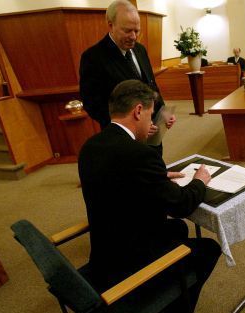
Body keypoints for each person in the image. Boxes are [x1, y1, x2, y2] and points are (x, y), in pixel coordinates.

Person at [78, 79, 221, 312]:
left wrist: (157, 177)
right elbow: (181, 206)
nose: (152, 121)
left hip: (105, 249)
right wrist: (199, 181)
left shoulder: (91, 146)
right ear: (137, 111)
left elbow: (117, 180)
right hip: (129, 261)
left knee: (178, 229)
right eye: (151, 114)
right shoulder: (140, 153)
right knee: (208, 249)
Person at [79, 0, 175, 143]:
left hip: (152, 134)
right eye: (127, 31)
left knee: (154, 163)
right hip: (123, 140)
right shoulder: (93, 57)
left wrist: (163, 112)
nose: (134, 37)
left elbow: (150, 86)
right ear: (111, 25)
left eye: (137, 31)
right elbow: (92, 104)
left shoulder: (140, 50)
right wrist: (131, 126)